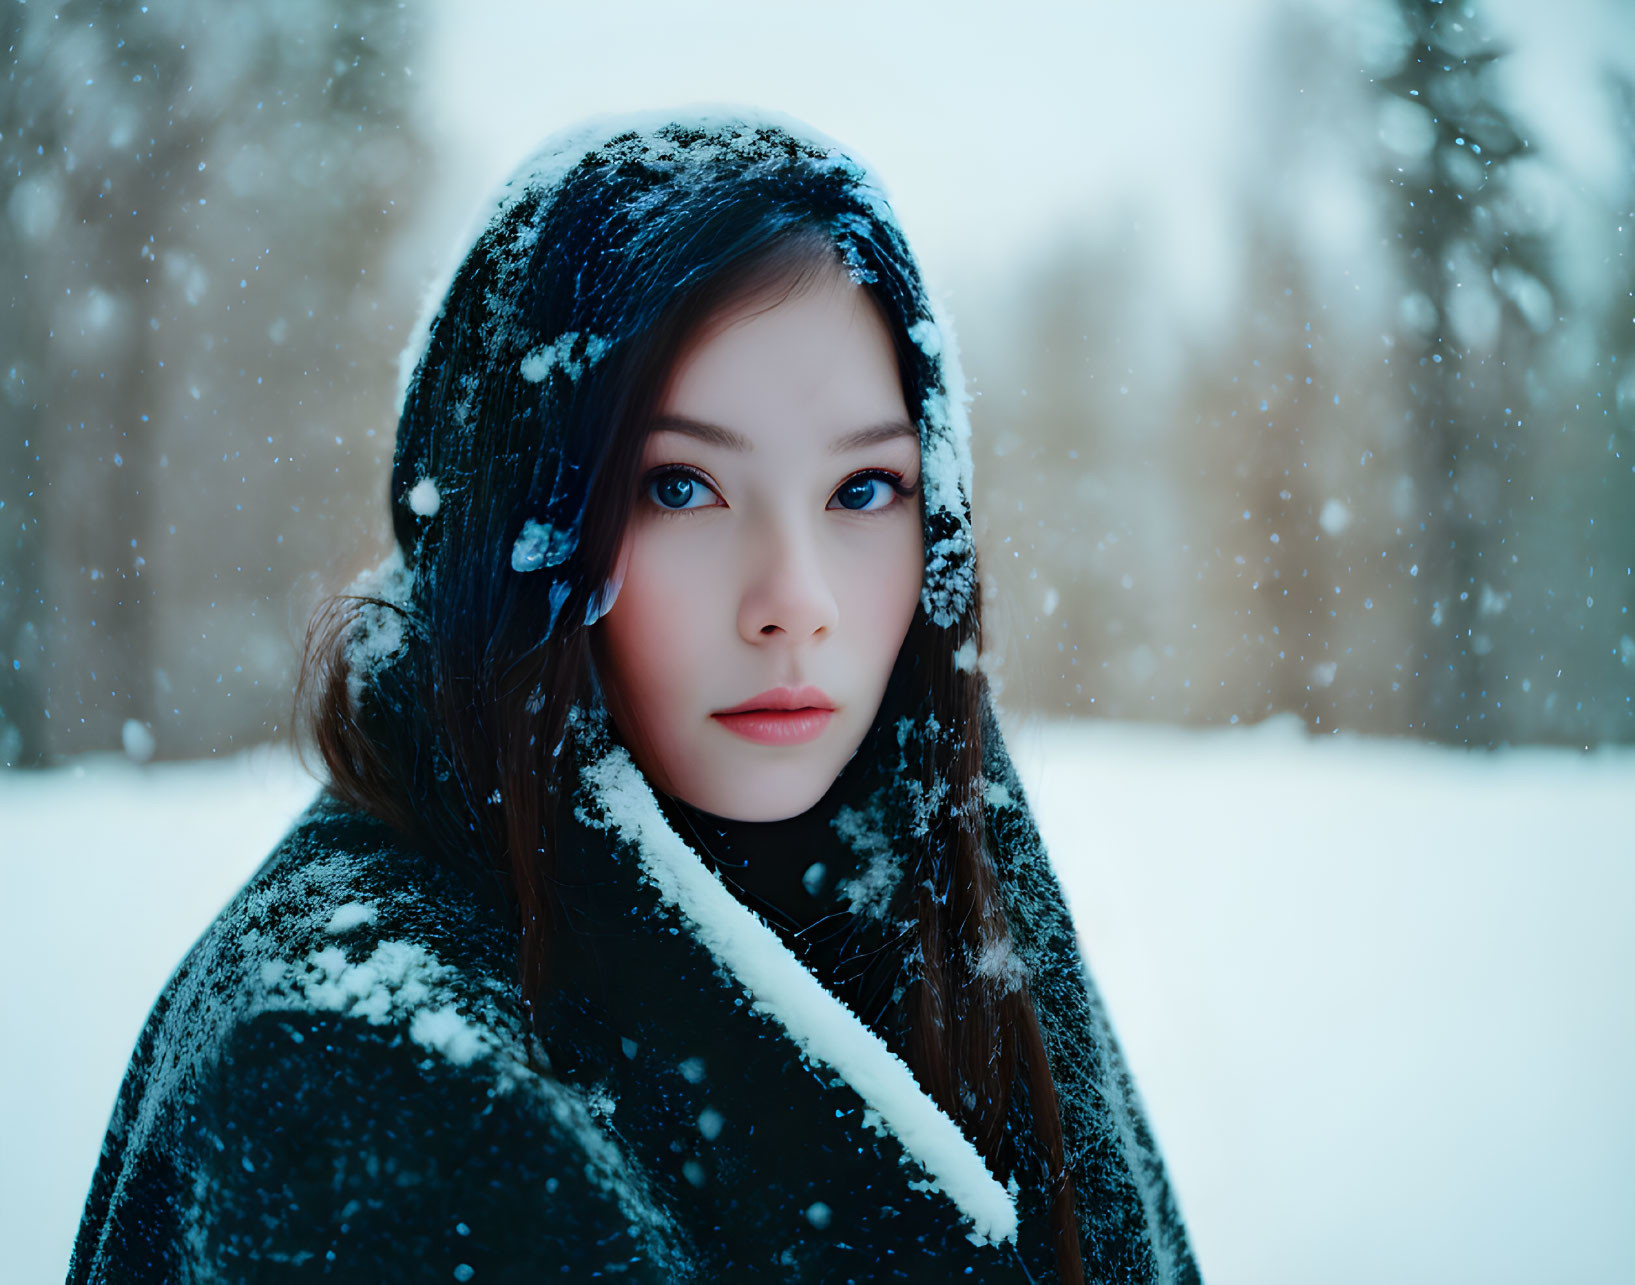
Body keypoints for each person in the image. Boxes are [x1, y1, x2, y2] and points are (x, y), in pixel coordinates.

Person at [67, 108, 1200, 1284]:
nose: (795, 601)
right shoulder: (363, 1076)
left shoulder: (928, 892)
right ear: (517, 517)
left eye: (866, 488)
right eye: (679, 486)